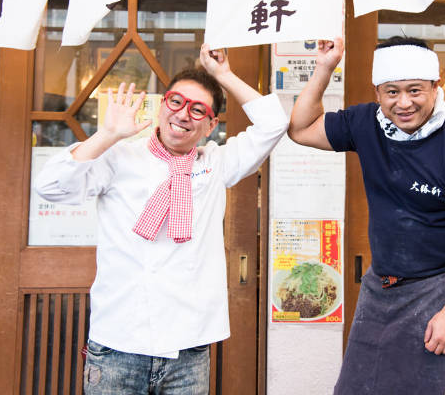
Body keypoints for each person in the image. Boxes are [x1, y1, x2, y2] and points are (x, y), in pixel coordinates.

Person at [35, 44, 288, 394]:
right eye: (176, 102)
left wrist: (223, 75)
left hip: (189, 347)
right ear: (162, 106)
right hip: (117, 344)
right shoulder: (119, 156)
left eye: (198, 110)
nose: (184, 114)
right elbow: (50, 187)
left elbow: (275, 122)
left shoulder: (216, 164)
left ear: (211, 125)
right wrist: (106, 135)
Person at [288, 36, 445, 395]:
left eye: (415, 91)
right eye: (392, 92)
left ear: (435, 89)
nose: (403, 103)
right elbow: (299, 129)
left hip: (437, 290)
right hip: (380, 284)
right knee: (356, 389)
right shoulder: (366, 123)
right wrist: (324, 68)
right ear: (378, 93)